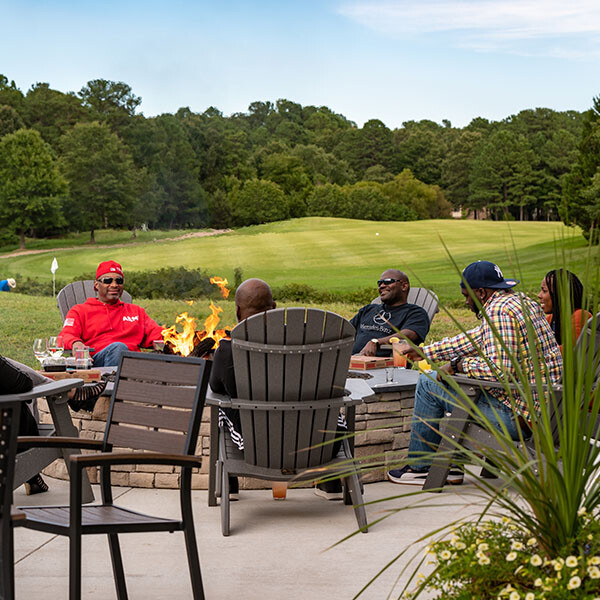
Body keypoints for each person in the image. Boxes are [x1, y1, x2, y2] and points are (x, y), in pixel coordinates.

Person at [387, 260, 562, 486]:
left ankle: (422, 466)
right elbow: (474, 339)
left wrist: (458, 365)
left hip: (518, 418)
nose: (467, 303)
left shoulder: (499, 312)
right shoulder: (520, 303)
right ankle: (451, 467)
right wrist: (425, 351)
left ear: (480, 292)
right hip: (546, 411)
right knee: (457, 388)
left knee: (430, 383)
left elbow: (500, 370)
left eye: (467, 296)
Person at [209, 278, 346, 500]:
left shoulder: (227, 350)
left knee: (222, 406)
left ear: (237, 310)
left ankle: (230, 484)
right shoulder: (312, 345)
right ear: (274, 308)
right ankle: (330, 483)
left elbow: (215, 387)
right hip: (319, 445)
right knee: (331, 411)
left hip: (257, 448)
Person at [60, 260, 164, 367]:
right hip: (98, 363)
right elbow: (66, 335)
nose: (114, 285)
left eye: (119, 281)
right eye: (108, 280)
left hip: (134, 363)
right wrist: (76, 344)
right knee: (118, 348)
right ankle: (113, 382)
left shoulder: (136, 312)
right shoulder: (79, 311)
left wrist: (177, 339)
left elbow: (158, 335)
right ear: (96, 285)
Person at [350, 269, 430, 356]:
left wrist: (376, 342)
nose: (381, 286)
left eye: (387, 282)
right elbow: (345, 330)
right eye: (379, 283)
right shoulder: (368, 309)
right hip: (349, 360)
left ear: (404, 286)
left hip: (385, 365)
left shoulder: (416, 313)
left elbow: (408, 335)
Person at [538, 269, 592, 350]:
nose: (539, 295)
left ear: (560, 294)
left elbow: (569, 352)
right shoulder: (551, 319)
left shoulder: (580, 316)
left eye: (544, 291)